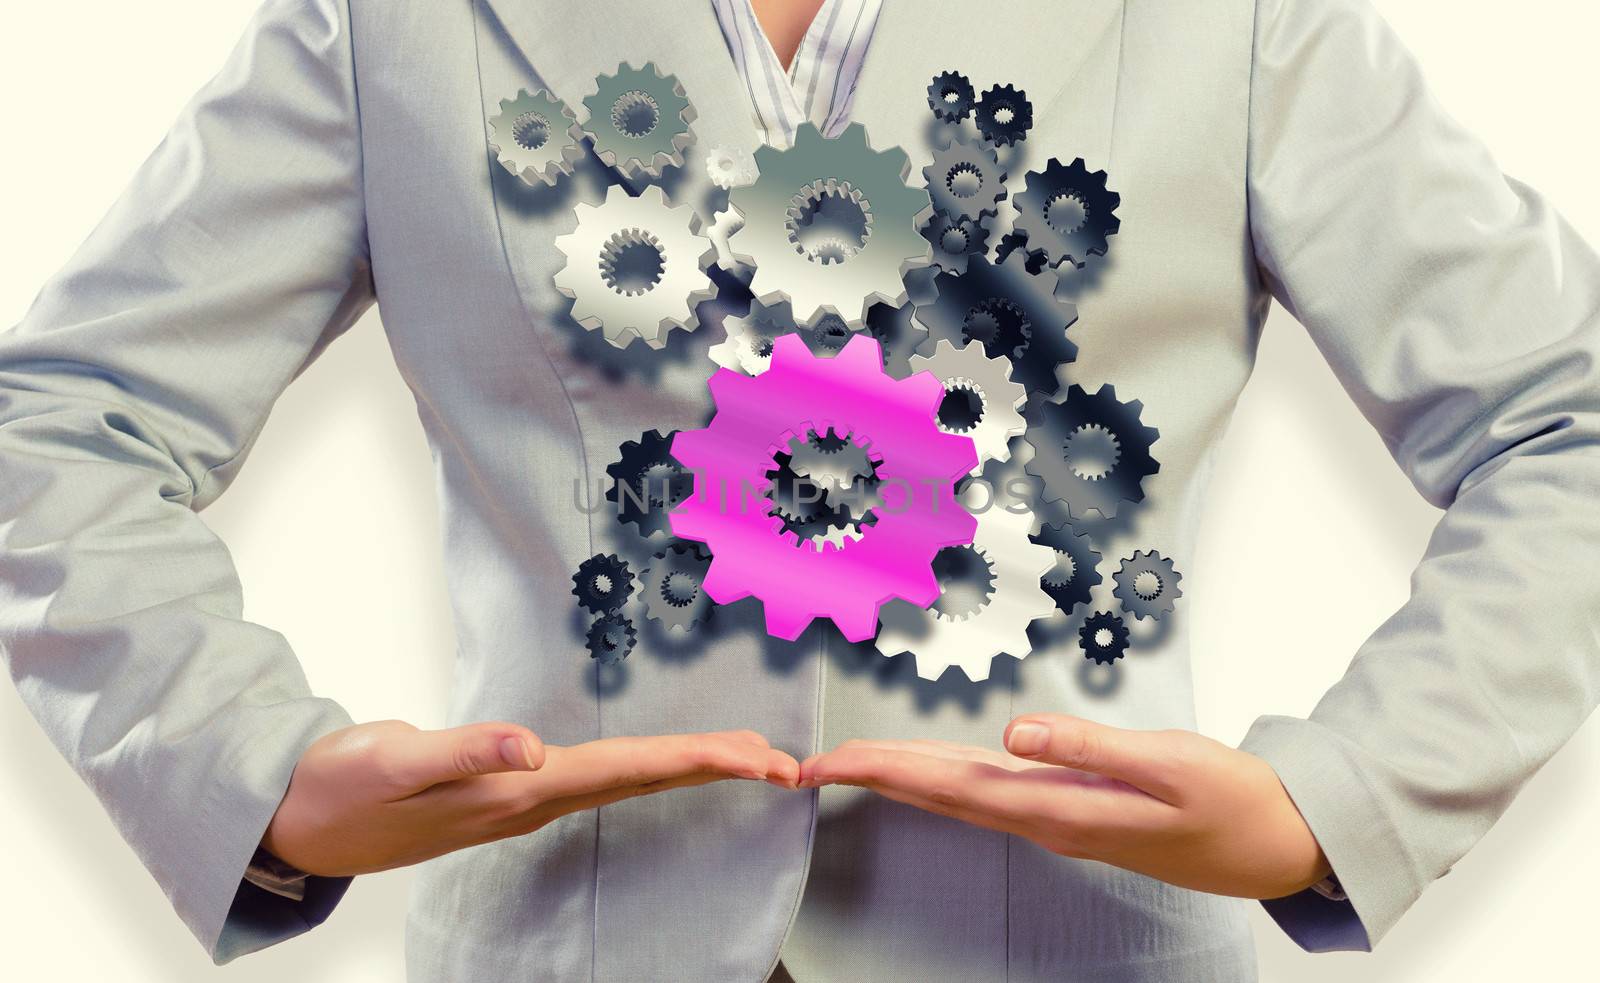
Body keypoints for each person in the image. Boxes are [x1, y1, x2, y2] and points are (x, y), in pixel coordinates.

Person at [2, 0, 1596, 980]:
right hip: (568, 953)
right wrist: (252, 774)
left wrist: (1339, 803)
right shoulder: (381, 17)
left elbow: (1566, 417)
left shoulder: (1243, 15)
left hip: (1073, 958)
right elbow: (57, 423)